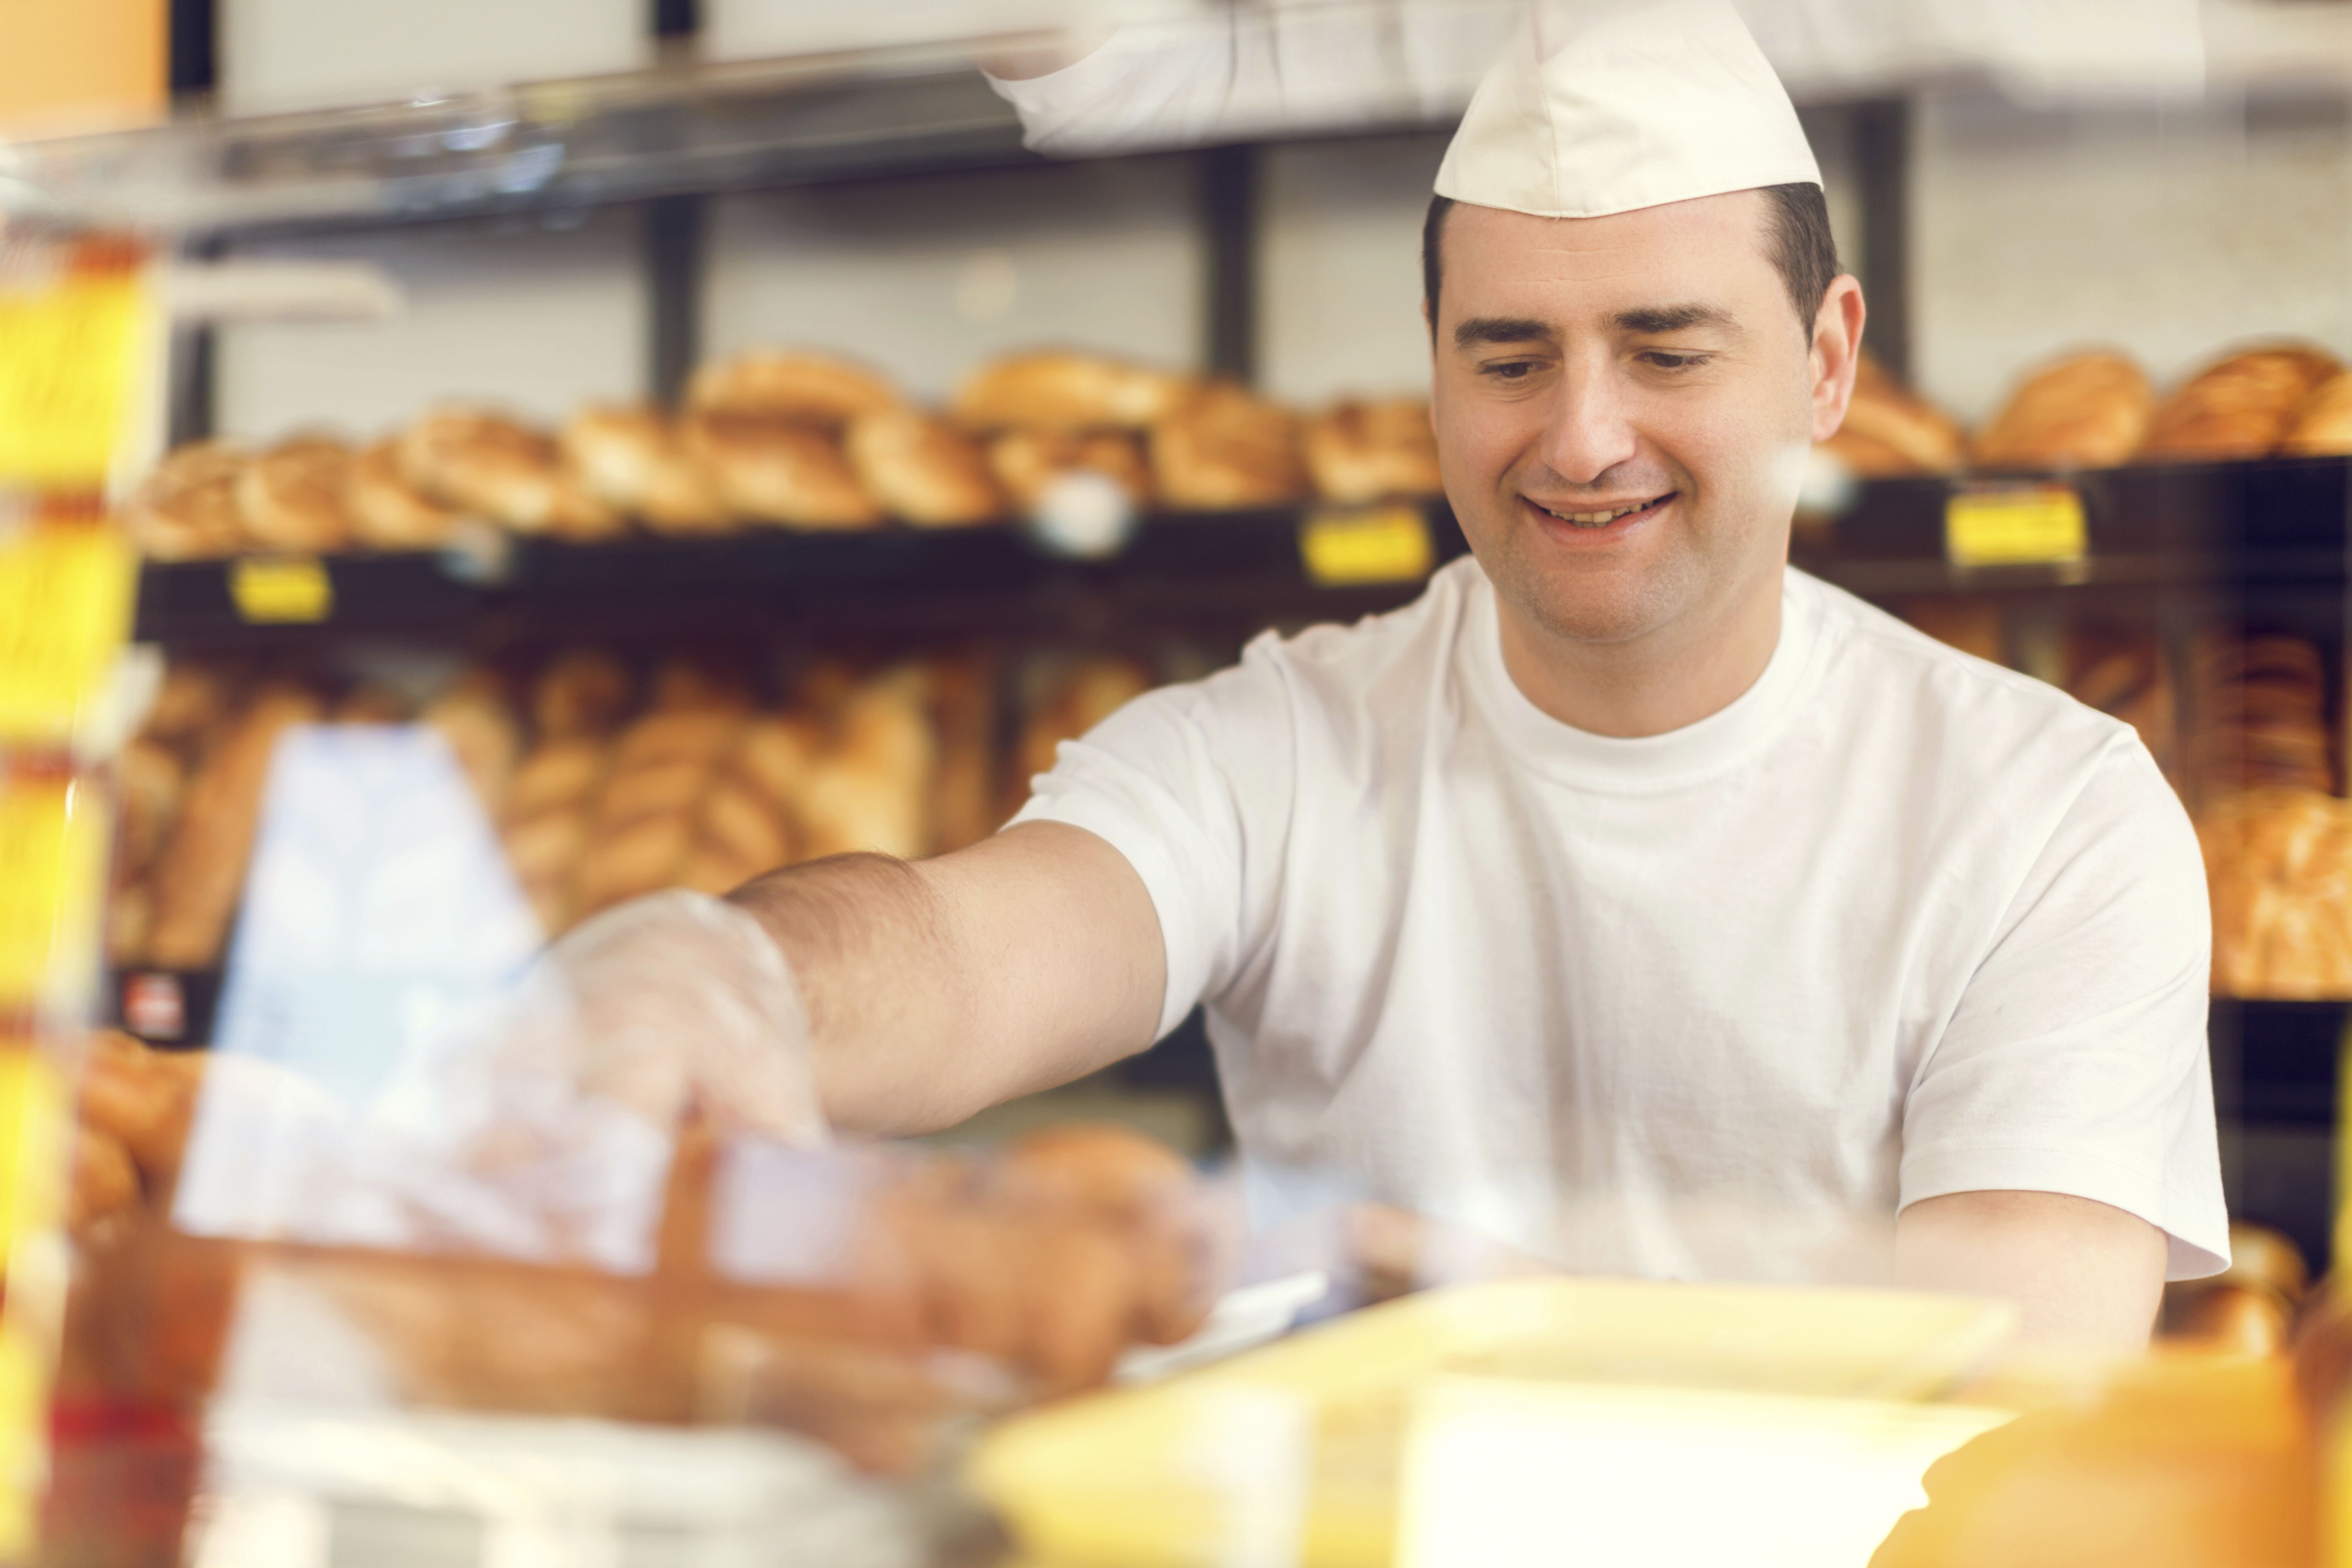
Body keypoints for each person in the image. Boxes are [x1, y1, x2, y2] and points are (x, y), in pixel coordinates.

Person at [608, 1, 2227, 1348]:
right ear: (1435, 374)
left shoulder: (2051, 816)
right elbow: (963, 959)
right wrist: (742, 974)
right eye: (1509, 358)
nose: (1583, 438)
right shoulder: (1288, 745)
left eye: (1667, 351)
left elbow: (2021, 1376)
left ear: (1826, 363)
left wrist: (1484, 1308)